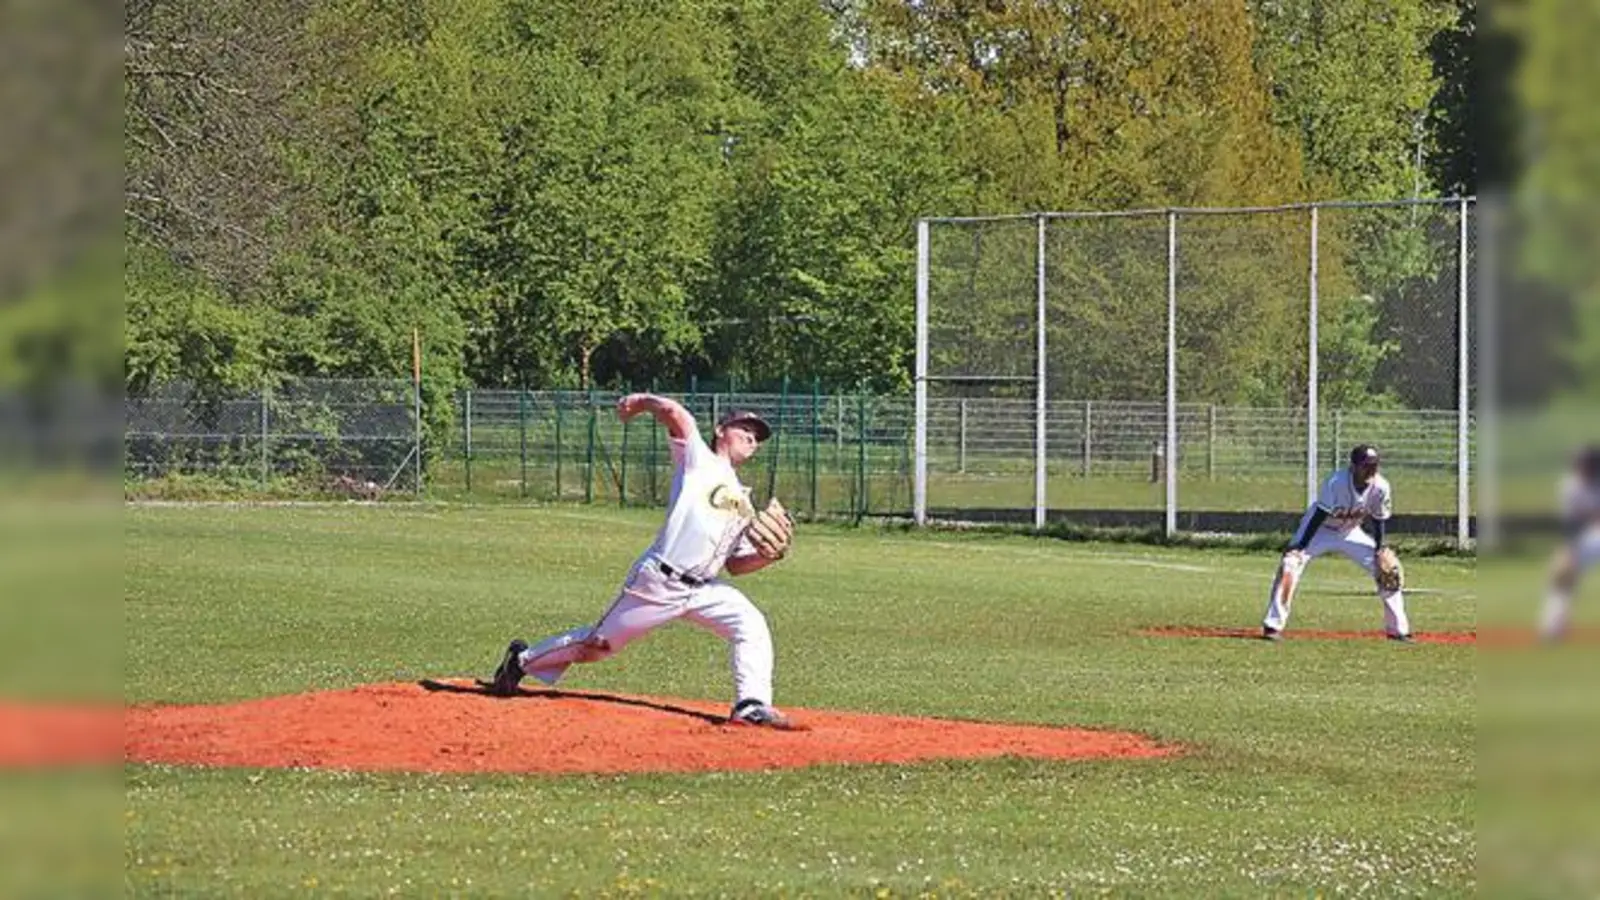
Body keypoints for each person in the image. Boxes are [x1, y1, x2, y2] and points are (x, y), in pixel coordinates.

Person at [484, 392, 794, 727]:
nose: (752, 437)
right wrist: (641, 402)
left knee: (750, 625)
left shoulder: (744, 503)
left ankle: (751, 704)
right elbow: (676, 413)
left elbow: (735, 564)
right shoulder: (698, 461)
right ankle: (521, 661)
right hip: (660, 581)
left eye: (757, 436)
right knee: (596, 647)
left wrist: (767, 557)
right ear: (720, 430)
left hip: (705, 589)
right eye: (744, 428)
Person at [1261, 444, 1412, 642]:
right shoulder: (1336, 482)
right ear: (1353, 466)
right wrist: (1301, 545)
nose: (1371, 470)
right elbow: (1319, 514)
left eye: (1374, 465)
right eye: (1366, 465)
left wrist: (1379, 548)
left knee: (1388, 571)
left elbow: (1378, 519)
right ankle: (1273, 625)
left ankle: (1398, 630)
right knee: (1290, 564)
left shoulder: (1381, 487)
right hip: (1320, 530)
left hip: (1350, 531)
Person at [1538, 445, 1600, 641]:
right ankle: (1552, 630)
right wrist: (1569, 550)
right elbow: (1572, 522)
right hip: (1584, 539)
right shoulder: (1570, 486)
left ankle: (1551, 630)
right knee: (1561, 580)